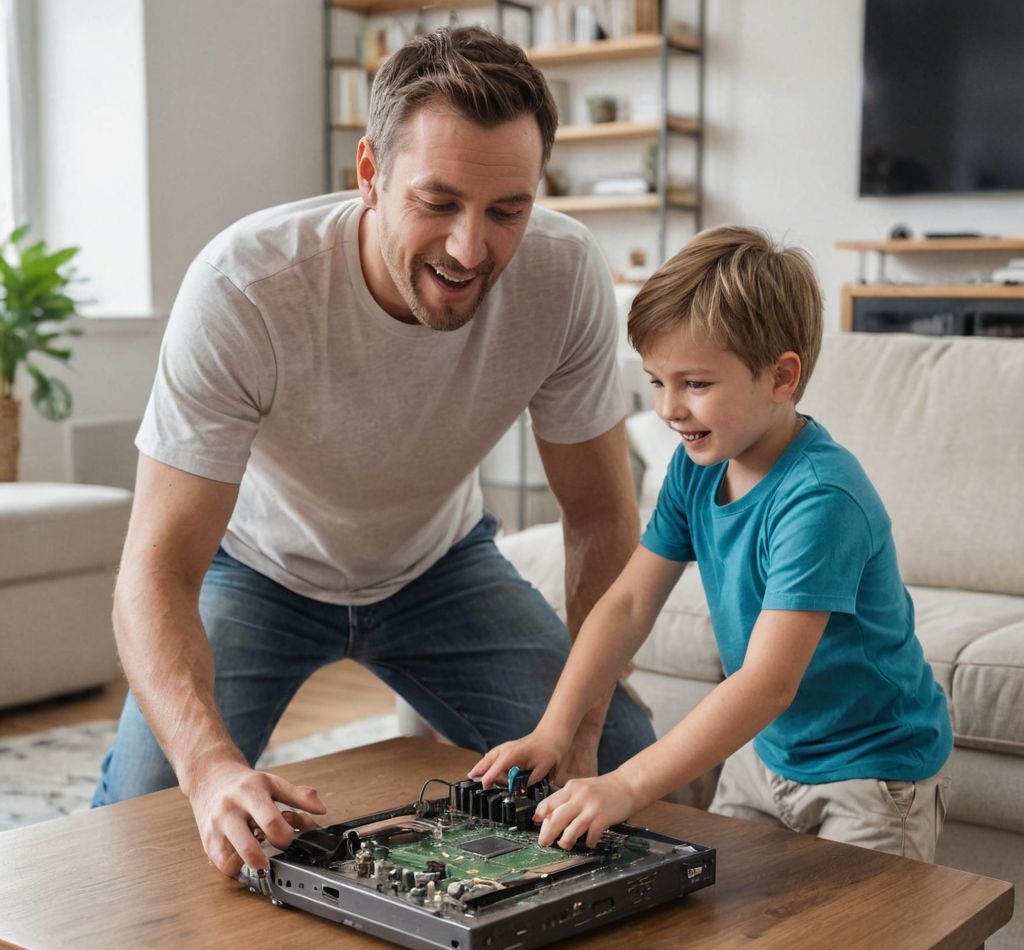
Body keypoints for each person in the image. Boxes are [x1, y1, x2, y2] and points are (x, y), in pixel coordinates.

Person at [92, 25, 656, 878]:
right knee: (145, 825)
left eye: (507, 211)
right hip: (258, 570)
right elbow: (155, 568)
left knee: (621, 753)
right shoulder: (245, 288)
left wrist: (578, 724)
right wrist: (207, 766)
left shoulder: (565, 274)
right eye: (438, 203)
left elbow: (600, 513)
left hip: (438, 568)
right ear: (369, 175)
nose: (472, 250)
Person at [471, 226, 953, 864]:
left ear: (781, 377)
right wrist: (554, 729)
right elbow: (627, 606)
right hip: (768, 755)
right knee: (723, 937)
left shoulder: (821, 498)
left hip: (872, 777)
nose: (670, 409)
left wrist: (626, 784)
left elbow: (764, 683)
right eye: (655, 382)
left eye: (695, 384)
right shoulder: (694, 466)